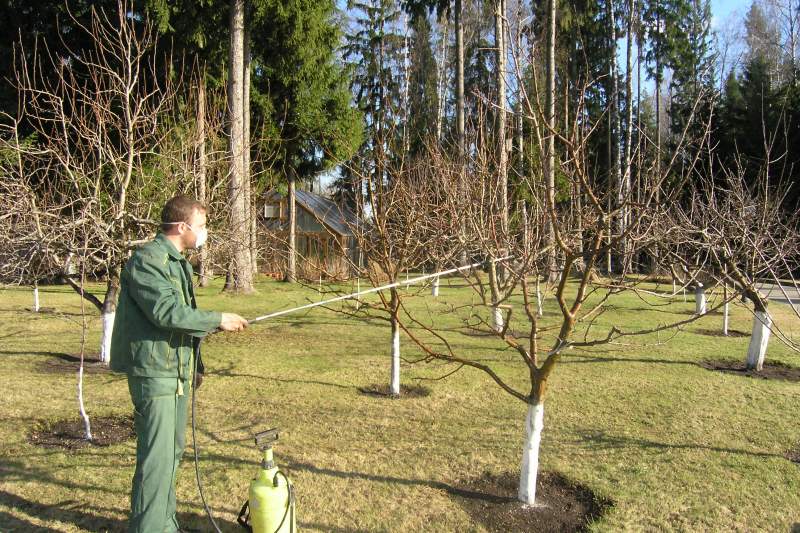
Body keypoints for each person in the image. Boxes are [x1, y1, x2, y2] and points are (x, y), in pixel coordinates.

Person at [110, 195, 249, 533]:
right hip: (155, 374)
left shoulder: (178, 262)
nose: (205, 232)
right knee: (156, 460)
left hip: (177, 374)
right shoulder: (148, 260)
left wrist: (195, 366)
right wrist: (218, 318)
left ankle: (164, 524)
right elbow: (166, 313)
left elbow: (182, 324)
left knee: (171, 454)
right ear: (182, 226)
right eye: (201, 226)